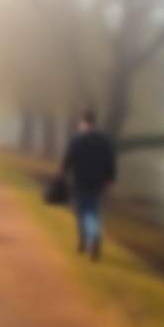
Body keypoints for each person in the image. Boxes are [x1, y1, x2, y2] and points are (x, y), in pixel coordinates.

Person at [60, 110, 117, 261]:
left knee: (81, 212)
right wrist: (109, 180)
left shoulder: (77, 139)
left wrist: (64, 174)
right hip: (97, 182)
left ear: (82, 122)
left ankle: (85, 241)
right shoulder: (104, 141)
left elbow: (68, 159)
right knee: (93, 211)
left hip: (80, 182)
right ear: (94, 122)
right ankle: (92, 239)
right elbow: (110, 161)